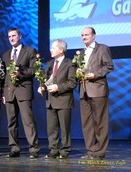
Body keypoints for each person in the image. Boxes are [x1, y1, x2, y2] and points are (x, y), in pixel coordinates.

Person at [2, 28, 40, 159]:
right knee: (11, 122)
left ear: (20, 36)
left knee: (28, 121)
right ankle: (14, 148)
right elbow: (5, 76)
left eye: (13, 36)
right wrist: (3, 93)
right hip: (9, 92)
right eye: (9, 36)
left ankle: (34, 148)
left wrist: (21, 73)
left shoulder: (29, 51)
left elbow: (34, 70)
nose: (11, 38)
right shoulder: (6, 54)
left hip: (23, 90)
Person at [38, 39, 77, 159]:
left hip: (63, 100)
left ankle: (65, 151)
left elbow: (72, 82)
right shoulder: (50, 63)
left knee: (64, 128)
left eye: (53, 48)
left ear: (61, 50)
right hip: (50, 101)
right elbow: (46, 79)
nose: (51, 50)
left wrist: (58, 87)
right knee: (51, 128)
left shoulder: (69, 63)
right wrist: (42, 87)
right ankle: (53, 150)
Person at [79, 27, 114, 160]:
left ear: (94, 36)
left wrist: (95, 74)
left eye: (86, 35)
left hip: (98, 90)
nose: (84, 37)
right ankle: (91, 151)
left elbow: (109, 66)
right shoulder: (81, 52)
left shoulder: (102, 48)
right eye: (82, 35)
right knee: (87, 123)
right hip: (84, 90)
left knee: (100, 122)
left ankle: (99, 152)